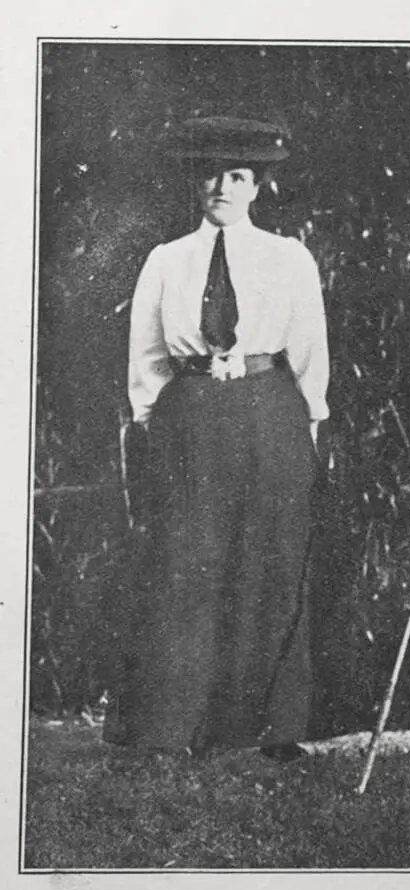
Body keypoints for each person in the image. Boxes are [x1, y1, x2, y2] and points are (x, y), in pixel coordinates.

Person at [103, 116, 329, 761]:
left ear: (257, 186)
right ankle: (172, 726)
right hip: (191, 415)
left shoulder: (288, 257)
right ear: (193, 181)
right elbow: (145, 357)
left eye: (237, 175)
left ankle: (269, 729)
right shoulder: (166, 260)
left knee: (269, 565)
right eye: (211, 173)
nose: (222, 186)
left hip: (268, 412)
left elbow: (310, 350)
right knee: (184, 565)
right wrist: (152, 428)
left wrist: (311, 424)